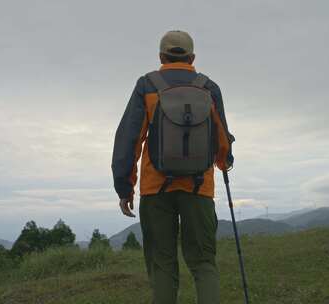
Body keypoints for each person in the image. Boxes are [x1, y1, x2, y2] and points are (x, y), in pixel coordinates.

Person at [112, 30, 234, 304]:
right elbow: (222, 137)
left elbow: (129, 139)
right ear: (192, 57)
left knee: (162, 264)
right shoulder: (209, 87)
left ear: (160, 57)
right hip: (199, 188)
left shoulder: (147, 85)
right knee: (203, 263)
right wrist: (224, 161)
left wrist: (124, 186)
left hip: (156, 189)